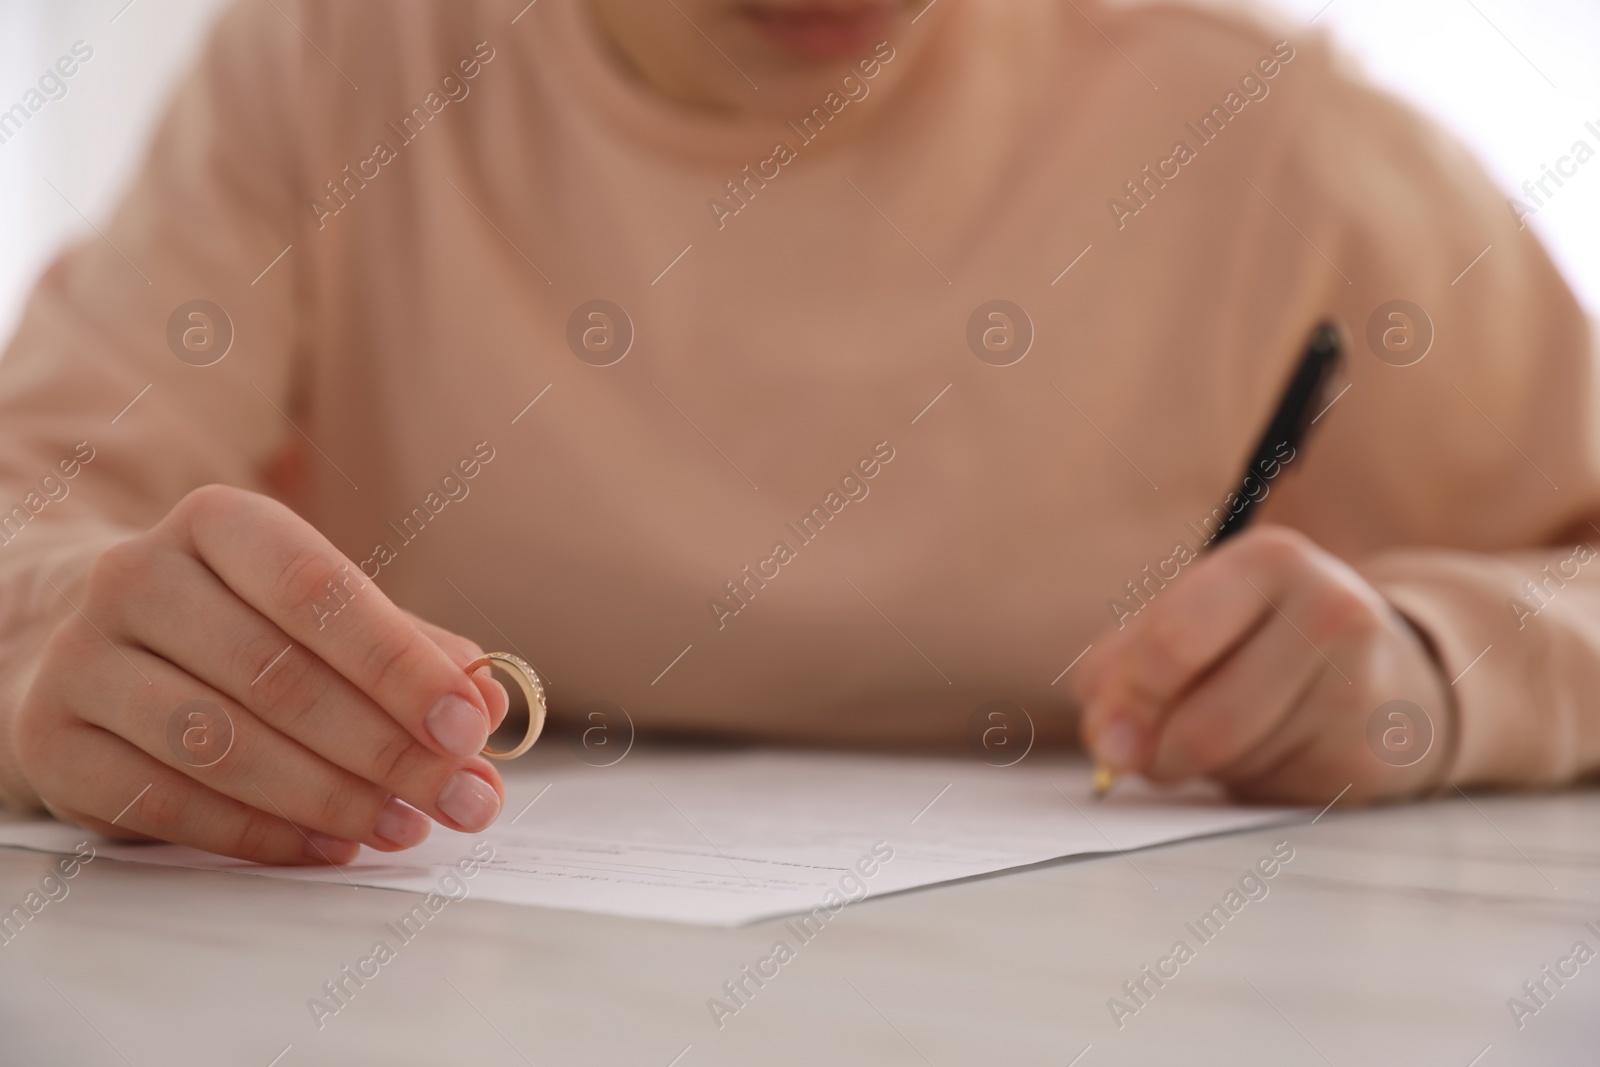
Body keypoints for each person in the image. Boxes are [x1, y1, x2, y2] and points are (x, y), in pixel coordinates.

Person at [0, 0, 1594, 864]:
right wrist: (59, 641)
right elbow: (32, 517)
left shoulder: (1273, 145)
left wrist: (1436, 669)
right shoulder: (318, 66)